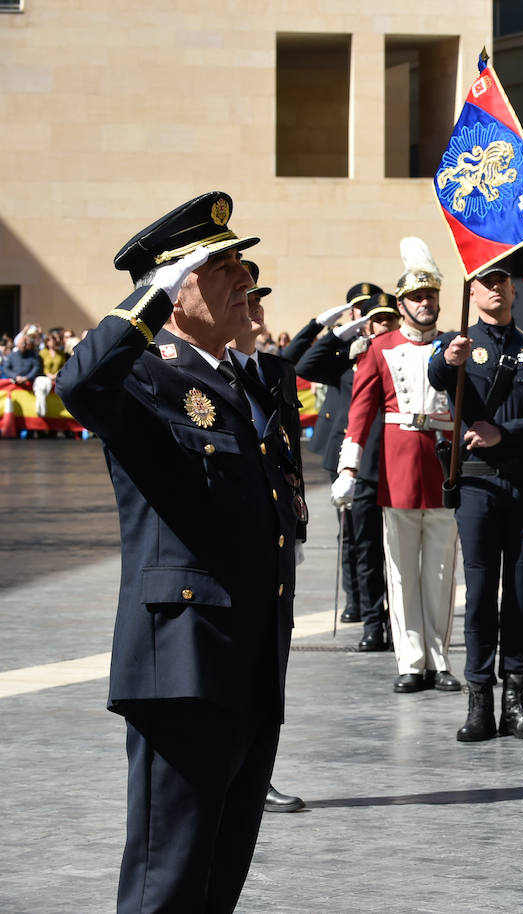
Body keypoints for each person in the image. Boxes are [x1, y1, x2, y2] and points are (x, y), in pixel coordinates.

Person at [56, 192, 298, 913]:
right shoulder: (145, 374)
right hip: (184, 665)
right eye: (219, 264)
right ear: (176, 283)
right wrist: (149, 299)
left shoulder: (244, 382)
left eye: (240, 260)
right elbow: (79, 384)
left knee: (219, 881)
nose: (242, 275)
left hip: (252, 664)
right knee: (167, 886)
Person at [429, 264, 523, 741]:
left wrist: (504, 432)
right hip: (477, 485)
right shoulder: (458, 344)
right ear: (472, 291)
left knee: (521, 595)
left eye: (502, 282)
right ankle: (478, 701)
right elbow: (436, 374)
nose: (494, 288)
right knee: (480, 594)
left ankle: (516, 699)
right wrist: (449, 358)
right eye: (485, 283)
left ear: (513, 290)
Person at [332, 238, 460, 694]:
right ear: (402, 304)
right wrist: (348, 468)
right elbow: (361, 413)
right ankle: (410, 660)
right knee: (401, 569)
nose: (426, 304)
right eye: (417, 297)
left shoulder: (454, 345)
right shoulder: (379, 347)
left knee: (442, 571)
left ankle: (440, 659)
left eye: (432, 296)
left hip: (443, 463)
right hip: (398, 464)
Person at [233, 260, 309, 816]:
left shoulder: (277, 369)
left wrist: (298, 520)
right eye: (247, 300)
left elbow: (288, 451)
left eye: (260, 301)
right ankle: (232, 772)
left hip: (277, 532)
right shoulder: (203, 371)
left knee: (271, 662)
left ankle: (261, 772)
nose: (256, 310)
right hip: (236, 533)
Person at [296, 289, 399, 652]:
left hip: (397, 460)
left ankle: (399, 619)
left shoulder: (404, 353)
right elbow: (304, 366)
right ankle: (370, 615)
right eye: (376, 320)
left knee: (399, 549)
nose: (384, 325)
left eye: (390, 318)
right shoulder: (353, 355)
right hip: (359, 461)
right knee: (359, 542)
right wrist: (340, 337)